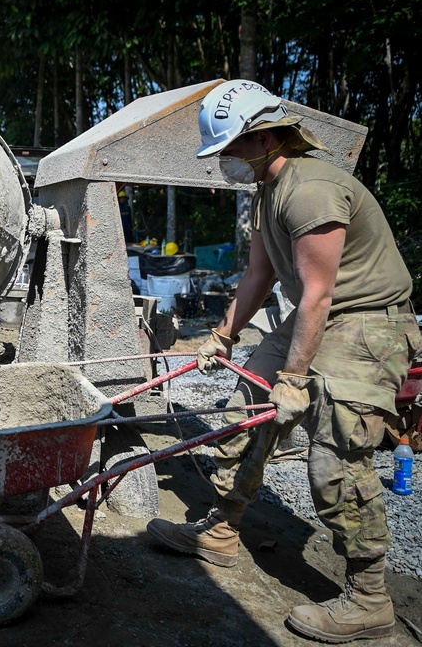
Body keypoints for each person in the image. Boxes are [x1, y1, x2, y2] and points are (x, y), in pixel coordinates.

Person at [146, 79, 419, 643]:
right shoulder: (269, 195)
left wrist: (294, 378)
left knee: (335, 456)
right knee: (242, 413)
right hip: (321, 314)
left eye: (229, 147)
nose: (224, 160)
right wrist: (223, 336)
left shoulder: (311, 190)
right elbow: (259, 275)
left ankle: (370, 600)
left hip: (367, 322)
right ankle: (221, 530)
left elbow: (317, 292)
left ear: (265, 137)